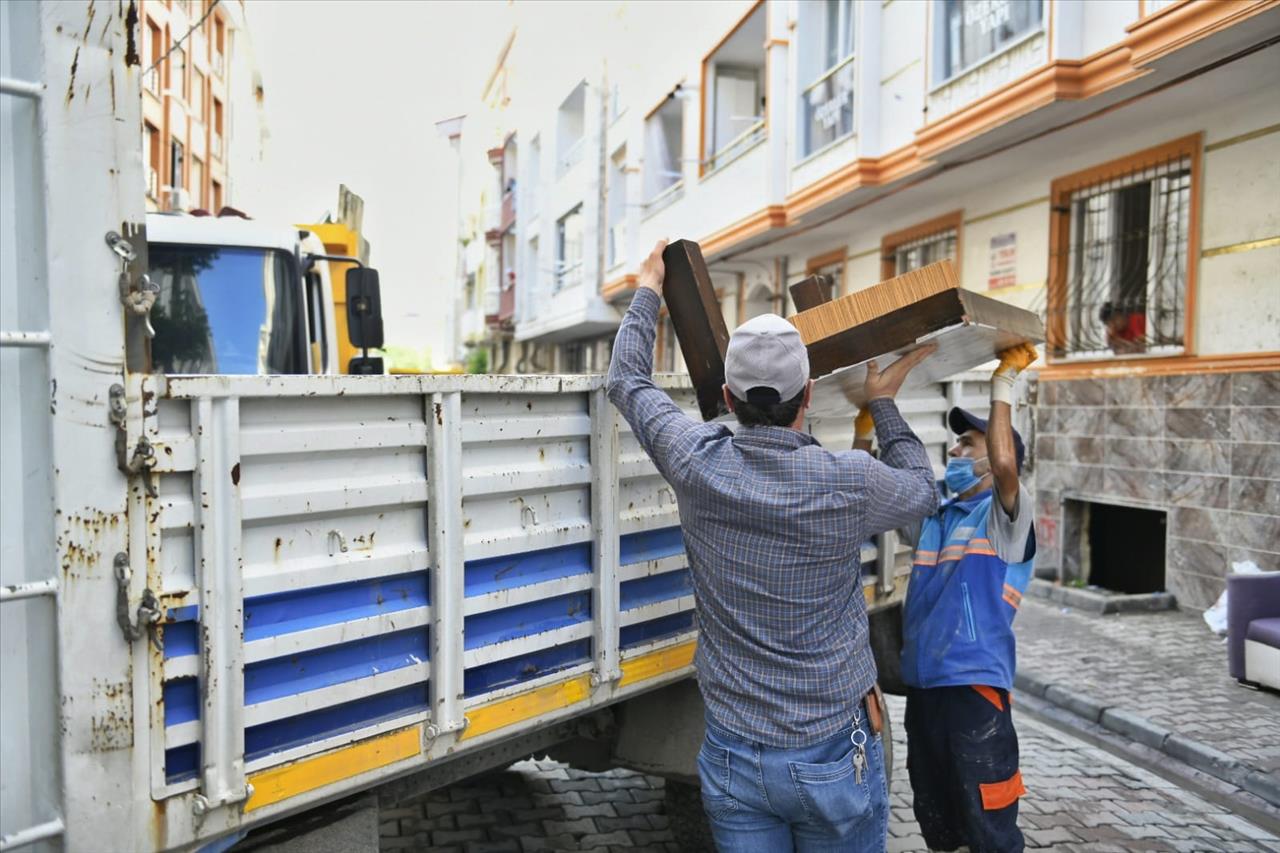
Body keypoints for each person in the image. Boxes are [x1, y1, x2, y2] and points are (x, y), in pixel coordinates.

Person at [607, 240, 940, 852]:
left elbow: (626, 379)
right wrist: (884, 405)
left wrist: (650, 286)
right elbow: (923, 491)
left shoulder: (695, 463)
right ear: (808, 395)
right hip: (832, 752)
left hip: (734, 755)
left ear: (728, 401)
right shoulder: (849, 482)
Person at [892, 342, 1039, 853]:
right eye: (956, 444)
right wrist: (871, 417)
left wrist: (1005, 382)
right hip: (925, 690)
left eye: (969, 444)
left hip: (975, 691)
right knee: (942, 822)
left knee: (989, 828)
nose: (955, 451)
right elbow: (876, 483)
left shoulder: (1005, 521)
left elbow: (1004, 463)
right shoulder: (934, 518)